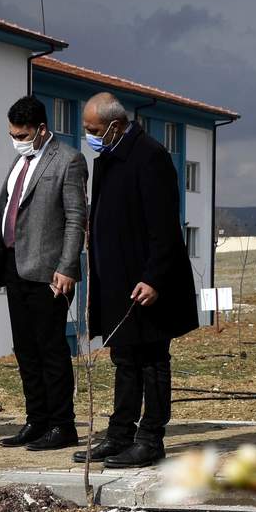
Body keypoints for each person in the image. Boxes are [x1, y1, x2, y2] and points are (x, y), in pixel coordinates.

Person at [75, 92, 197, 468]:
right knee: (124, 358)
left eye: (94, 129)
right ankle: (119, 434)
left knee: (152, 360)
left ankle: (150, 439)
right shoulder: (108, 159)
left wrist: (154, 278)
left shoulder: (150, 156)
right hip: (117, 282)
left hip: (146, 283)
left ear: (115, 125)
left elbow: (164, 226)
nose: (89, 135)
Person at [0, 95, 87, 452]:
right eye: (12, 134)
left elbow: (76, 217)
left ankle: (62, 424)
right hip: (14, 266)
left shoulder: (68, 160)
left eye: (22, 134)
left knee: (50, 349)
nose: (17, 140)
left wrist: (67, 267)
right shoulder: (20, 161)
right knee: (25, 349)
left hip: (48, 272)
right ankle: (37, 420)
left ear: (41, 129)